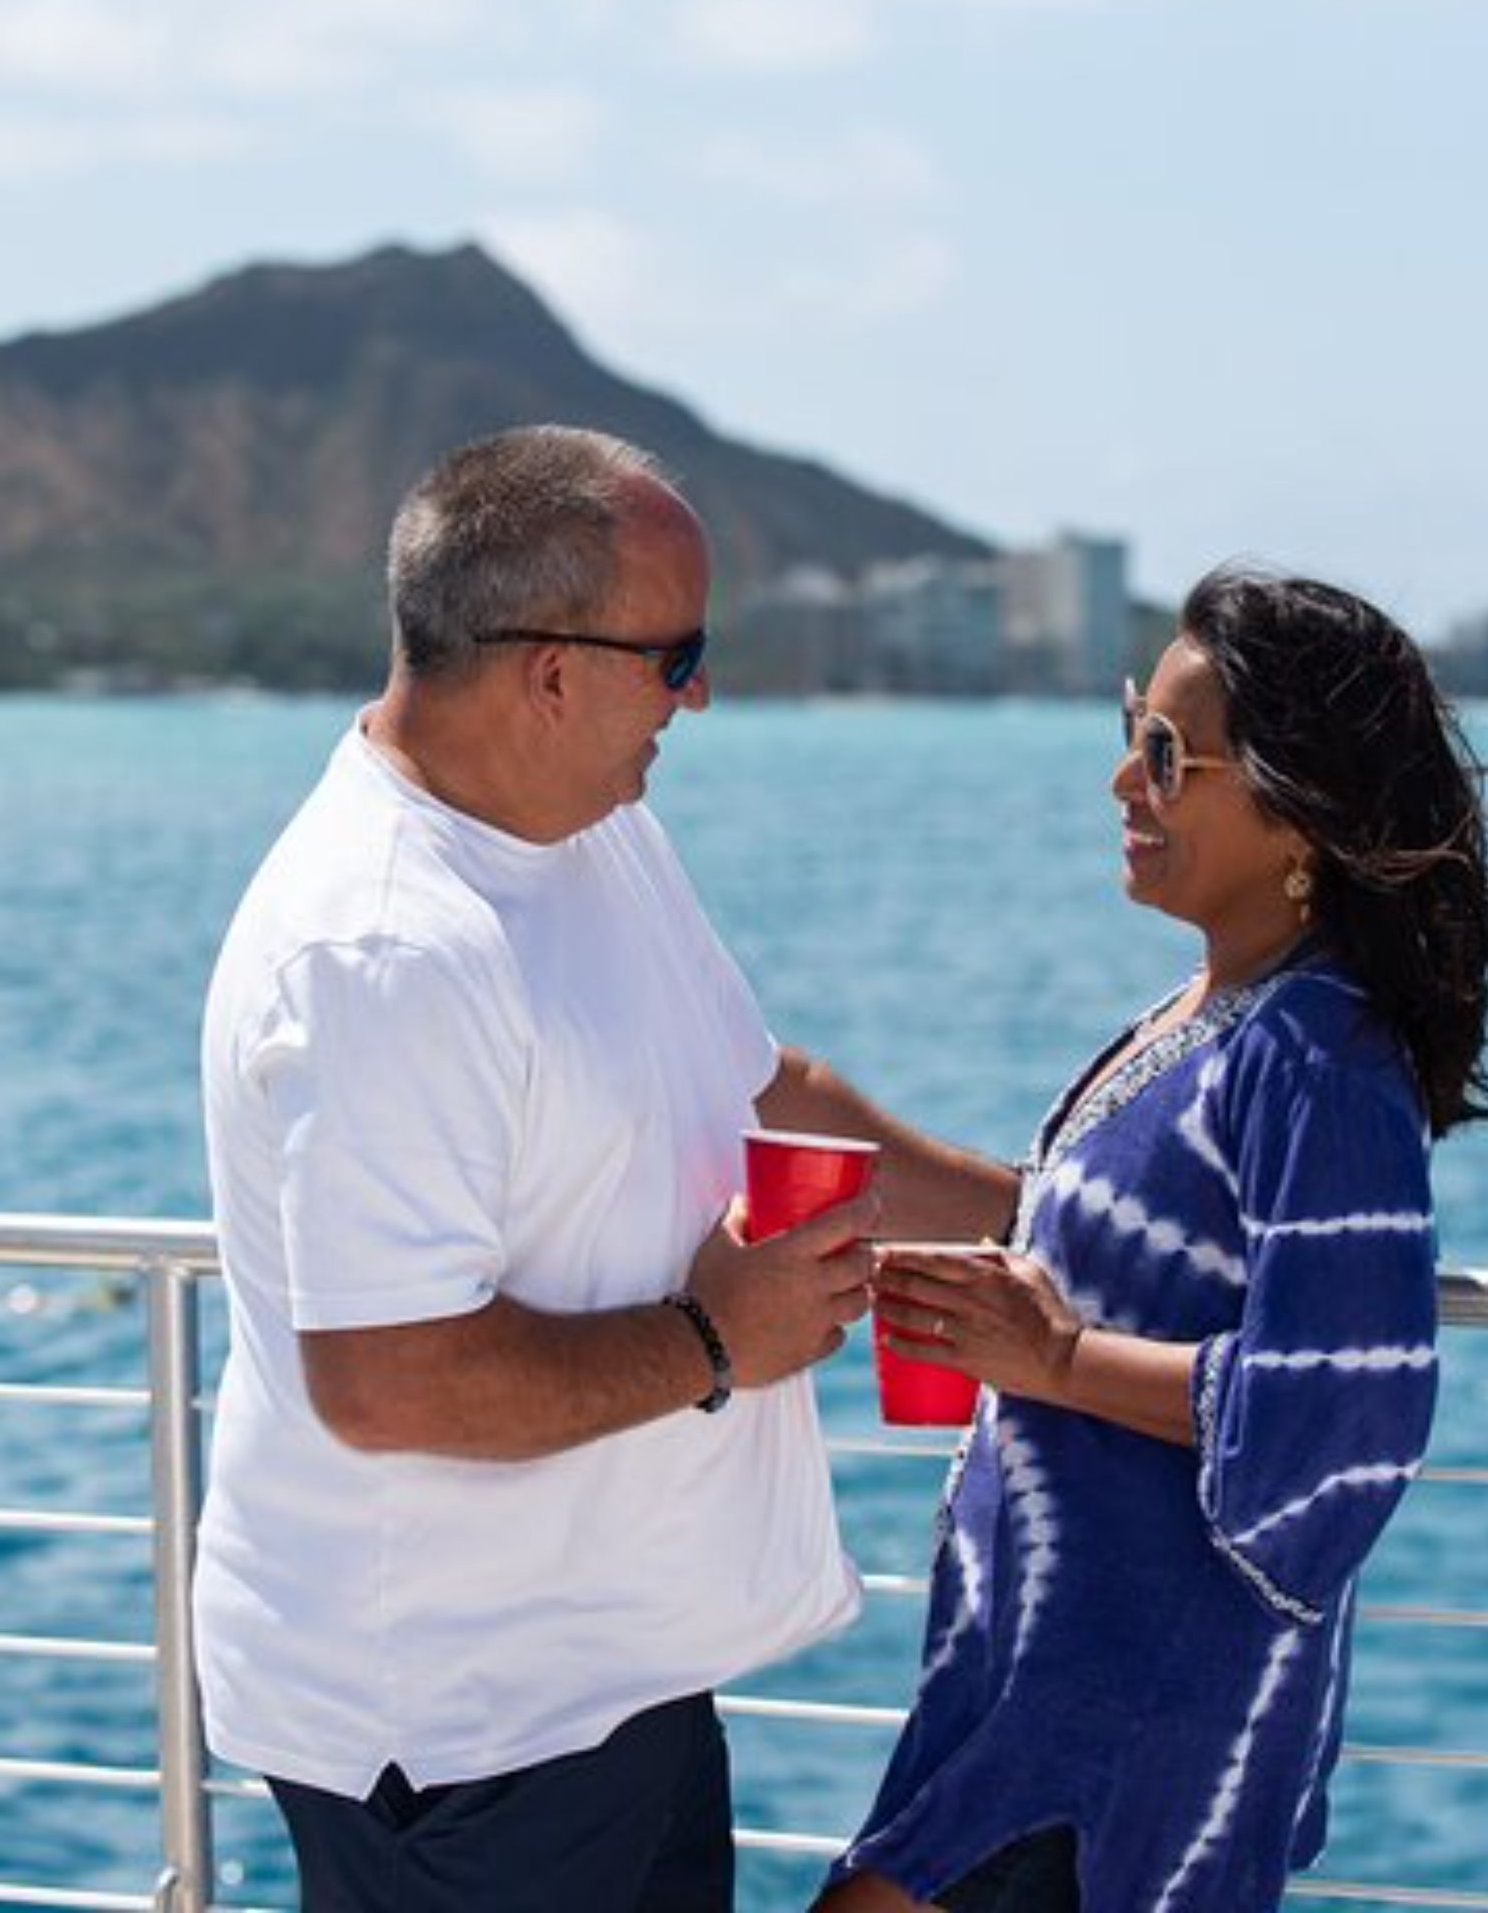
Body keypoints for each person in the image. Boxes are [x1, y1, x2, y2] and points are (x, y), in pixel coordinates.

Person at [192, 425, 1004, 1913]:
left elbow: (762, 1087)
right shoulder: (382, 949)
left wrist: (1050, 1209)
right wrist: (719, 1341)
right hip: (456, 1739)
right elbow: (386, 1381)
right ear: (549, 671)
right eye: (675, 653)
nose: (701, 692)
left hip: (607, 1677)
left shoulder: (589, 829)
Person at [818, 566, 1488, 1913]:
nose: (1127, 783)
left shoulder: (1319, 1058)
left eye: (1168, 754)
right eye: (1131, 730)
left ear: (1303, 808)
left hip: (1124, 1729)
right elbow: (1108, 1242)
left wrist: (1049, 1356)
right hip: (1035, 1687)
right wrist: (823, 1126)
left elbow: (1348, 1412)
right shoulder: (1210, 1016)